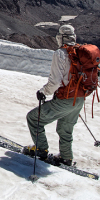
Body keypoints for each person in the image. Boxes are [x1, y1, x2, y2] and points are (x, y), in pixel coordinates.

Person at [24, 24, 83, 166]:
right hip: (79, 98)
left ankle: (41, 149)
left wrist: (43, 92)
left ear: (61, 37)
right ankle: (66, 157)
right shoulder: (80, 52)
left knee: (34, 118)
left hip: (65, 98)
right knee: (65, 128)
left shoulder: (60, 53)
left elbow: (55, 82)